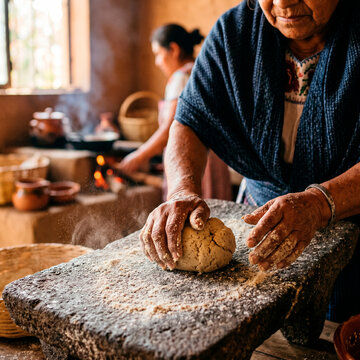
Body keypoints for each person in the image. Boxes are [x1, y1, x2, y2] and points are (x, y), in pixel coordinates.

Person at [139, 0, 360, 322]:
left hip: (352, 226)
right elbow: (190, 120)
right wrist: (181, 191)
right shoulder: (235, 31)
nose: (283, 2)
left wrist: (316, 203)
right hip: (259, 220)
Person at [117, 24, 232, 201]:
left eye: (158, 54)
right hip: (214, 159)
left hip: (194, 161)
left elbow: (170, 130)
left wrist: (137, 157)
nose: (157, 62)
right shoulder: (199, 70)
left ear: (174, 49)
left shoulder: (181, 78)